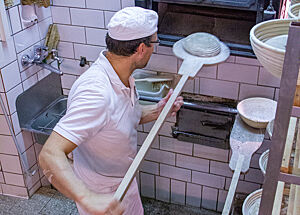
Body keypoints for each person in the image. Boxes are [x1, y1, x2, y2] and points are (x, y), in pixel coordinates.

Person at [39, 6, 183, 215]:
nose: (155, 48)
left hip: (123, 183)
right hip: (101, 192)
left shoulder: (121, 77)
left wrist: (159, 110)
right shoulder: (97, 93)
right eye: (155, 42)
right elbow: (50, 154)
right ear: (142, 49)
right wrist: (87, 198)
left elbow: (120, 118)